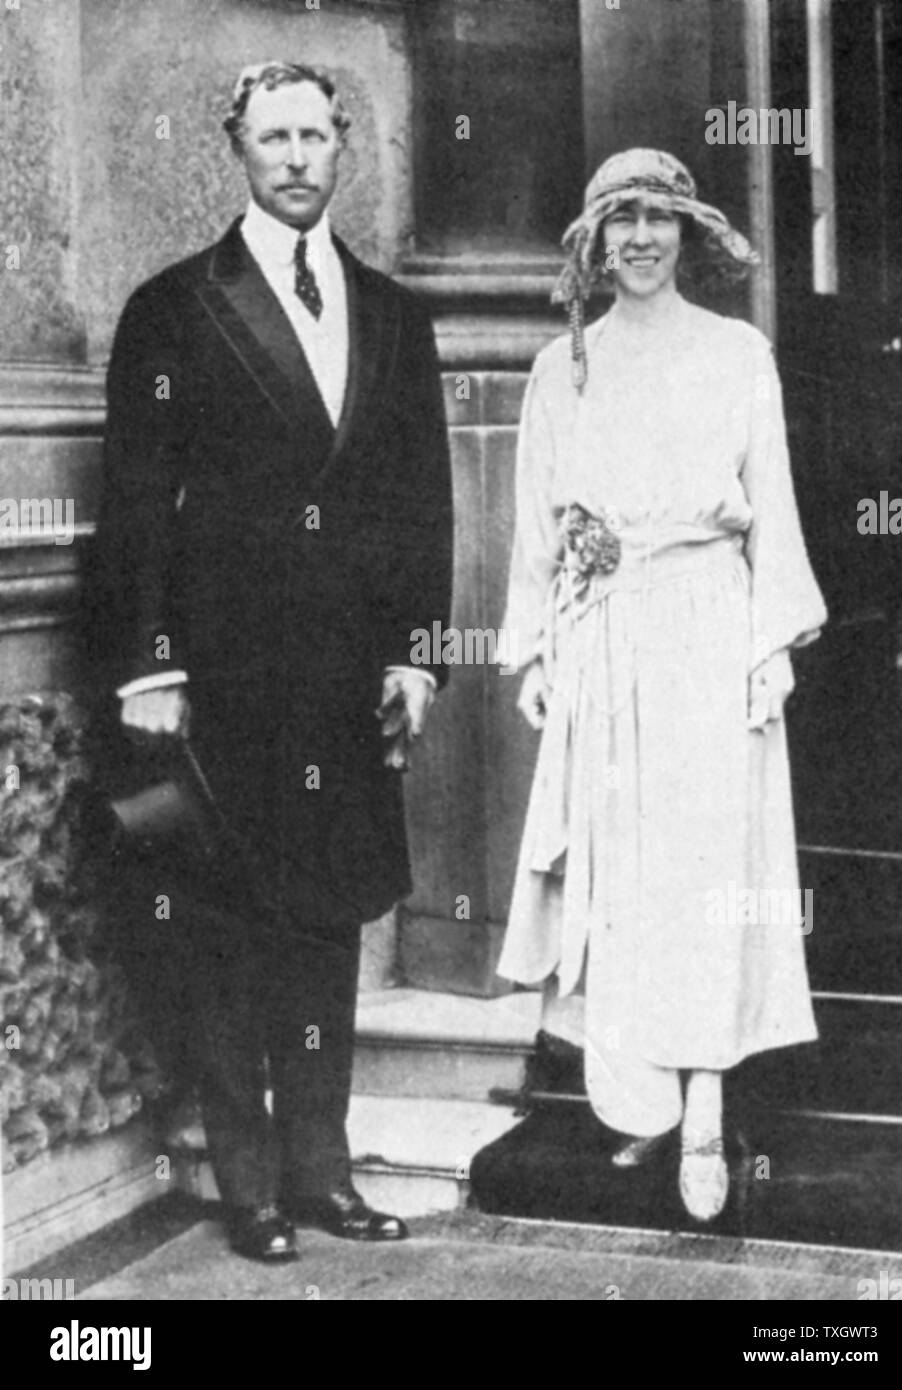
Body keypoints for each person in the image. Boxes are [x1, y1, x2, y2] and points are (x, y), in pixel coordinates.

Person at [89, 61, 452, 1261]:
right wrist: (149, 664)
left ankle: (322, 1173)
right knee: (227, 928)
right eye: (272, 136)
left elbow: (419, 502)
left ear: (344, 148)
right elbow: (135, 502)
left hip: (346, 681)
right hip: (227, 673)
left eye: (314, 135)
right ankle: (247, 1186)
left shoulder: (395, 314)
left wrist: (415, 652)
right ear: (236, 149)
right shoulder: (176, 306)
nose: (295, 156)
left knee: (327, 924)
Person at [498, 149, 827, 1222]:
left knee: (702, 863)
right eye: (620, 220)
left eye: (659, 219)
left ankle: (703, 1102)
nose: (639, 238)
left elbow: (770, 498)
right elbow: (540, 522)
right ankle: (640, 1092)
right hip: (603, 632)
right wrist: (539, 649)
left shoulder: (737, 351)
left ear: (689, 235)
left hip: (706, 622)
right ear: (593, 241)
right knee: (623, 873)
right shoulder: (565, 367)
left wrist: (767, 639)